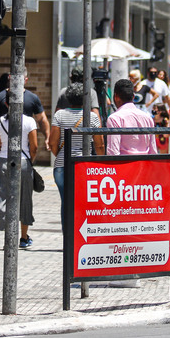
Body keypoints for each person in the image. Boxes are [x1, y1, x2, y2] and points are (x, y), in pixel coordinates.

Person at [48, 83, 105, 233]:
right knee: (83, 202)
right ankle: (80, 234)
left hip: (62, 164)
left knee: (65, 202)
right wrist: (101, 163)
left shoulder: (59, 115)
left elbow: (53, 143)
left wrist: (60, 155)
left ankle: (67, 234)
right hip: (84, 165)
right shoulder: (92, 117)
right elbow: (99, 145)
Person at [0, 93, 39, 248]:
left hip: (4, 161)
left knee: (3, 197)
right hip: (24, 162)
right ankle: (23, 237)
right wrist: (30, 162)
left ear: (6, 103)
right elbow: (34, 147)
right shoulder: (29, 121)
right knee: (25, 199)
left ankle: (8, 237)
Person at [0, 68, 50, 138]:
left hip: (25, 143)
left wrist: (47, 137)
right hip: (3, 141)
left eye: (20, 79)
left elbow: (41, 119)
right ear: (9, 77)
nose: (17, 81)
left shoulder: (32, 98)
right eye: (14, 78)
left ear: (26, 80)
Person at [106, 79, 156, 155]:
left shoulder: (114, 118)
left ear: (115, 96)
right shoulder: (147, 118)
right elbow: (153, 150)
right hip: (144, 164)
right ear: (133, 96)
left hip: (124, 165)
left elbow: (113, 152)